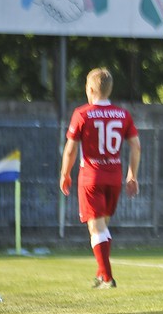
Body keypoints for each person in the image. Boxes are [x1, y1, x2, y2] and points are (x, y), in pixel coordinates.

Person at [59, 67, 141, 289]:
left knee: (97, 229)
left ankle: (107, 277)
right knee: (102, 227)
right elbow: (136, 146)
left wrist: (65, 173)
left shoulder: (82, 113)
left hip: (91, 177)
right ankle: (100, 273)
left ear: (91, 88)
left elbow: (70, 150)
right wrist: (132, 174)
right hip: (114, 177)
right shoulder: (123, 114)